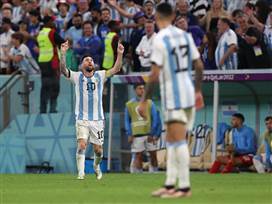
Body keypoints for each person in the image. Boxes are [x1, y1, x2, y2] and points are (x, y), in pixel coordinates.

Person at [139, 3, 204, 198]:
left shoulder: (160, 39)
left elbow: (154, 74)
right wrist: (198, 91)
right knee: (173, 139)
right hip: (189, 91)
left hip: (174, 96)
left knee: (177, 140)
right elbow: (199, 65)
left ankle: (184, 187)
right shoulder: (185, 36)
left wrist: (143, 101)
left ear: (157, 17)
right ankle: (169, 185)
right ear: (174, 15)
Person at [59, 40, 124, 180]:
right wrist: (62, 54)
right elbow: (63, 70)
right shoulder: (77, 77)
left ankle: (96, 166)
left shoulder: (100, 75)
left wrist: (119, 54)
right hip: (81, 118)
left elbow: (116, 69)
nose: (89, 61)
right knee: (82, 144)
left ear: (94, 65)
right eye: (86, 60)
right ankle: (81, 173)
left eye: (91, 60)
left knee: (98, 150)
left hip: (98, 120)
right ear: (81, 65)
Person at [125, 84, 160, 173]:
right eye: (140, 88)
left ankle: (155, 173)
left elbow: (155, 118)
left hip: (149, 134)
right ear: (135, 90)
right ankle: (139, 174)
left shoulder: (150, 103)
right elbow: (127, 120)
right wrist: (129, 134)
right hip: (136, 134)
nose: (142, 90)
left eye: (144, 88)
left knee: (153, 154)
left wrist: (153, 133)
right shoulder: (129, 104)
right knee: (138, 155)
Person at [37, 16, 65, 113]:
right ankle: (53, 109)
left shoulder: (40, 33)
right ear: (48, 22)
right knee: (55, 86)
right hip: (52, 62)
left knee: (44, 87)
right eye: (53, 21)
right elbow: (63, 42)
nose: (54, 23)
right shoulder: (51, 32)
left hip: (42, 62)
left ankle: (42, 110)